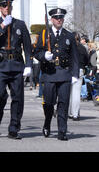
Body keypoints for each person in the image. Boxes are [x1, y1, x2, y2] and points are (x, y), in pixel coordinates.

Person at [0, 0, 32, 140]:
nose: (7, 8)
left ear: (11, 7)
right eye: (4, 6)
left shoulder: (20, 24)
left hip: (16, 65)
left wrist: (29, 65)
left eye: (8, 5)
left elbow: (28, 47)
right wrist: (3, 25)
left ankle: (14, 128)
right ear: (0, 8)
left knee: (18, 98)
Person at [34, 8, 79, 141]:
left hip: (64, 73)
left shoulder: (69, 36)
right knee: (48, 102)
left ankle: (62, 131)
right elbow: (36, 52)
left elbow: (74, 57)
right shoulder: (44, 34)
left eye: (61, 18)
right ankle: (47, 121)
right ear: (52, 20)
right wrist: (44, 56)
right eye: (56, 18)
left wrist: (75, 74)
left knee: (63, 103)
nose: (59, 20)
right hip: (49, 73)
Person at [68, 32, 89, 121]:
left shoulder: (69, 47)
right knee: (76, 93)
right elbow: (87, 60)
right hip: (80, 70)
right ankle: (75, 114)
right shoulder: (82, 48)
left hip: (69, 70)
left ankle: (70, 112)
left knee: (69, 93)